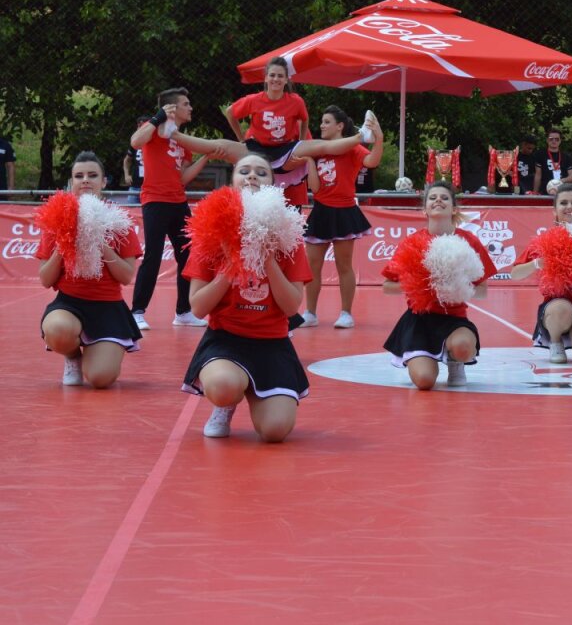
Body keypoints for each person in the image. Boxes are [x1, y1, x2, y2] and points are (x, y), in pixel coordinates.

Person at [181, 154, 312, 441]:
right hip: (226, 340)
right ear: (232, 182)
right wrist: (231, 266)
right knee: (224, 385)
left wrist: (267, 260)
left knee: (275, 431)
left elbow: (292, 306)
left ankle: (256, 388)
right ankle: (227, 404)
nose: (252, 176)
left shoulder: (288, 235)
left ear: (273, 186)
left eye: (261, 173)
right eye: (244, 171)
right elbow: (198, 307)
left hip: (273, 342)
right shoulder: (211, 231)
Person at [166, 58, 372, 195]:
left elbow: (305, 120)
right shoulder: (253, 100)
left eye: (280, 76)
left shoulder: (296, 101)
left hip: (284, 151)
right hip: (256, 150)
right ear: (265, 78)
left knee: (319, 145)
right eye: (272, 75)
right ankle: (172, 133)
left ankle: (361, 136)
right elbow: (230, 113)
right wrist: (241, 139)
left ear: (286, 80)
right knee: (218, 145)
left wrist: (300, 140)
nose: (276, 79)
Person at [38, 152, 142, 388]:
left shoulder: (119, 222)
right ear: (71, 183)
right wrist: (64, 243)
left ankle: (100, 353)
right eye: (79, 176)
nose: (85, 180)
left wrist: (100, 242)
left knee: (100, 379)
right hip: (69, 304)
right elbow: (45, 279)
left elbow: (126, 277)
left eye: (92, 175)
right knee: (57, 329)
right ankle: (72, 356)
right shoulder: (56, 220)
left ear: (104, 182)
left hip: (108, 307)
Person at [382, 182, 497, 390]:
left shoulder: (468, 241)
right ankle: (423, 359)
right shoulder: (412, 243)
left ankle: (455, 361)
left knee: (462, 347)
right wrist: (421, 284)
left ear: (454, 208)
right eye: (432, 197)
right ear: (424, 208)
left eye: (444, 198)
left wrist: (455, 286)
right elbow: (387, 286)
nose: (438, 200)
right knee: (425, 382)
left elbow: (482, 291)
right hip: (419, 320)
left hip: (454, 318)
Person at [129, 87, 211, 330]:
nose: (191, 108)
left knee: (187, 255)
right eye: (186, 104)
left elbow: (183, 178)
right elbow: (135, 142)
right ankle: (137, 311)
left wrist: (205, 157)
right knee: (153, 256)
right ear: (173, 108)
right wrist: (158, 118)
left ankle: (183, 311)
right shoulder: (151, 128)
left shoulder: (181, 140)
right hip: (155, 200)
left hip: (179, 201)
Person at [298, 108, 384, 329]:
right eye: (321, 121)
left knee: (343, 265)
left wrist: (379, 139)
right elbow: (315, 188)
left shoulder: (354, 148)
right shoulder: (317, 148)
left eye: (327, 122)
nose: (322, 125)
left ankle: (346, 313)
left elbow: (372, 162)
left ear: (340, 126)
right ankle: (310, 313)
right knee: (312, 266)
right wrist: (308, 159)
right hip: (321, 211)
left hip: (344, 211)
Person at [509, 184, 572, 364]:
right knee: (561, 309)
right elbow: (514, 274)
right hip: (556, 306)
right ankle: (555, 341)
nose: (569, 207)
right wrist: (537, 263)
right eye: (563, 203)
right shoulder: (544, 240)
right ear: (554, 211)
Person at [534, 128, 572, 194]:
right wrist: (535, 192)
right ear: (547, 140)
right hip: (545, 191)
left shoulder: (566, 157)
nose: (554, 141)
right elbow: (538, 175)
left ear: (560, 141)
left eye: (557, 139)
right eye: (551, 139)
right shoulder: (540, 155)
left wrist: (560, 181)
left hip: (563, 191)